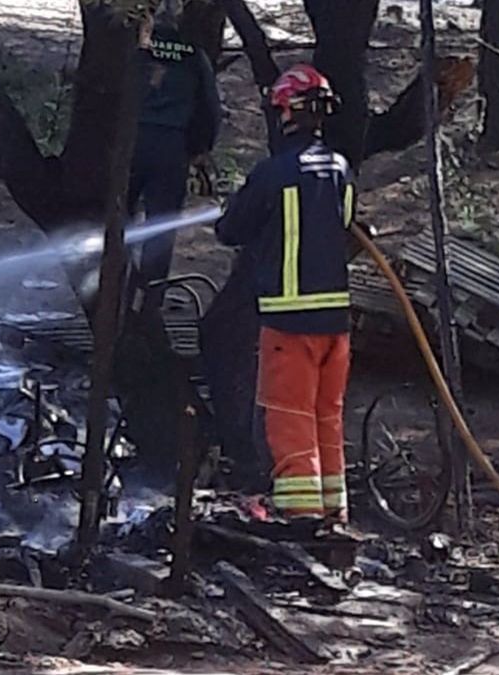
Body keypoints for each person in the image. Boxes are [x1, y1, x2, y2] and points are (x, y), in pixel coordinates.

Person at [214, 64, 358, 526]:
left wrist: (230, 209)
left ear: (285, 115)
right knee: (327, 418)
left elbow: (231, 230)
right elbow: (348, 230)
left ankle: (301, 516)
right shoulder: (340, 169)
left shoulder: (274, 172)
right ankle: (334, 509)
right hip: (337, 323)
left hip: (289, 322)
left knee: (289, 418)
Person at [129, 0, 222, 295]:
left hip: (129, 143)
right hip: (172, 147)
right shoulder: (193, 55)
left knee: (120, 218)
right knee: (161, 226)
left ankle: (116, 289)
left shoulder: (132, 48)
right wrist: (199, 149)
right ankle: (151, 299)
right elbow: (210, 110)